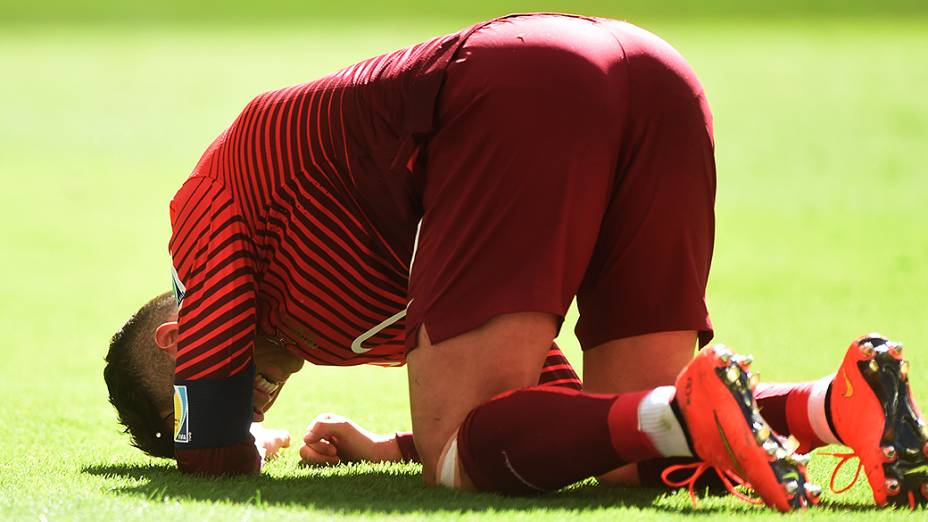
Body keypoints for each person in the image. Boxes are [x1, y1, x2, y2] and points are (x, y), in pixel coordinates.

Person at [102, 13, 926, 510]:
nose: (261, 397)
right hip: (654, 78)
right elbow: (543, 408)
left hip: (520, 85)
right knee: (634, 449)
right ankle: (836, 404)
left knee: (458, 452)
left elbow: (205, 441)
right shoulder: (342, 311)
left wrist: (228, 441)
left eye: (248, 393)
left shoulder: (199, 220)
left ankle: (703, 410)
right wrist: (388, 446)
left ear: (176, 341)